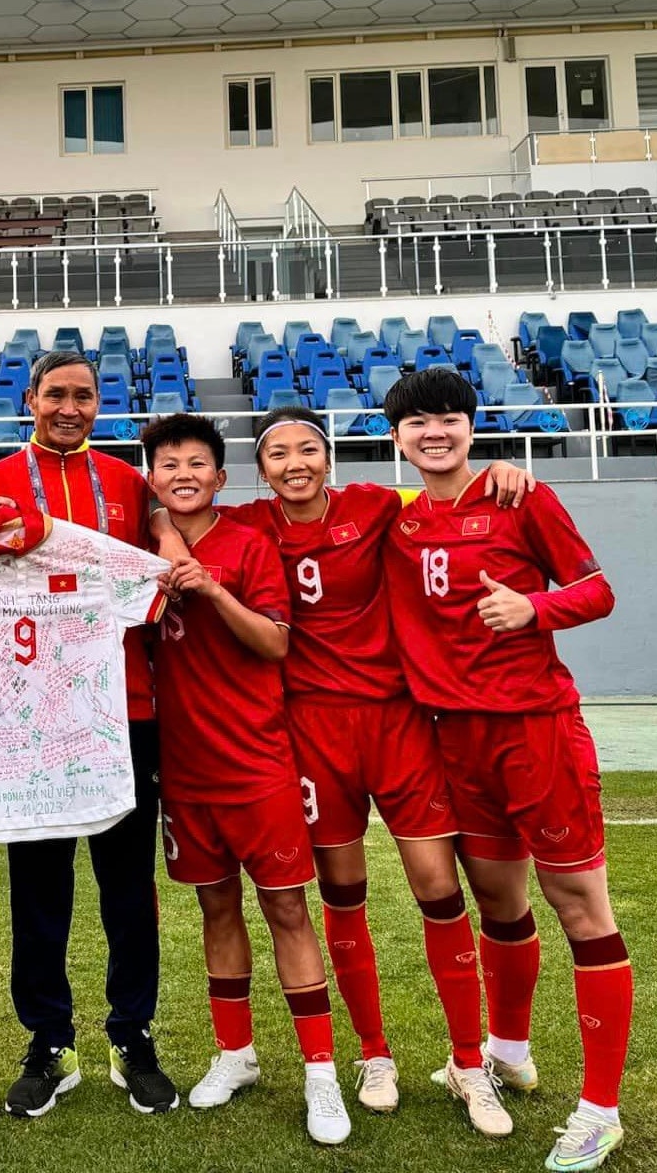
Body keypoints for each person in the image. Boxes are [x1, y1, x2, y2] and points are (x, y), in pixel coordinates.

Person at [191, 406, 526, 1136]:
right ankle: (374, 1056)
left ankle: (469, 1064)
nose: (294, 464)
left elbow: (443, 492)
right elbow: (171, 512)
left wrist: (496, 470)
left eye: (307, 449)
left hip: (395, 721)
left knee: (437, 887)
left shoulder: (374, 505)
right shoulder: (248, 523)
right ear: (261, 469)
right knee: (342, 893)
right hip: (312, 731)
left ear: (328, 456)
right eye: (278, 453)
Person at [380, 369, 630, 1173]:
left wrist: (534, 608)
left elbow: (597, 591)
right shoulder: (399, 523)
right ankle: (507, 1052)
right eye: (416, 422)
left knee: (579, 905)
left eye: (447, 418)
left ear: (469, 426)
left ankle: (599, 1111)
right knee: (498, 900)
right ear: (395, 437)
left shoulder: (524, 498)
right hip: (453, 741)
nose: (433, 433)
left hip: (535, 731)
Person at [0, 348, 182, 1117]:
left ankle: (132, 1035)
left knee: (128, 888)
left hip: (123, 711)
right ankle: (48, 1041)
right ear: (29, 399)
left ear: (98, 403)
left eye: (82, 396)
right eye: (54, 393)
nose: (68, 408)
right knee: (38, 889)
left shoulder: (128, 483)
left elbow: (168, 556)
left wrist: (167, 543)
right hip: (31, 719)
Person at [142, 413, 352, 1145]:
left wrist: (210, 590)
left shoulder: (248, 543)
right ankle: (236, 1053)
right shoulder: (138, 544)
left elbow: (274, 643)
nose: (184, 475)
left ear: (221, 477)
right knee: (216, 910)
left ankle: (321, 1072)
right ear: (152, 479)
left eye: (197, 463)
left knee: (287, 910)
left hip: (258, 764)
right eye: (169, 465)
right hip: (183, 770)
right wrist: (161, 544)